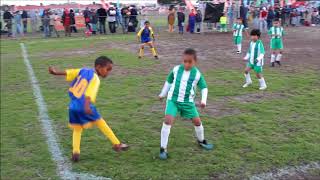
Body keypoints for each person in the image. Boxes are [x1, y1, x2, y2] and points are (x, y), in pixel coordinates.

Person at [48, 56, 129, 162]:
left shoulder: (84, 70)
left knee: (77, 129)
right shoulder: (95, 79)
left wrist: (55, 73)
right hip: (84, 105)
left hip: (73, 106)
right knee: (101, 123)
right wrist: (86, 106)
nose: (108, 73)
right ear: (99, 67)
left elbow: (70, 73)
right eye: (107, 69)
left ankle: (76, 152)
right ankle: (117, 144)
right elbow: (89, 94)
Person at [158, 48, 213, 160]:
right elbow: (169, 81)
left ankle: (201, 141)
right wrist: (162, 94)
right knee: (168, 120)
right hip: (173, 100)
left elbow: (204, 87)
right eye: (184, 61)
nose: (186, 64)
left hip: (188, 103)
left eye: (189, 62)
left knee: (197, 122)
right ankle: (163, 149)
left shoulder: (197, 74)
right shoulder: (176, 69)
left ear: (195, 62)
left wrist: (203, 101)